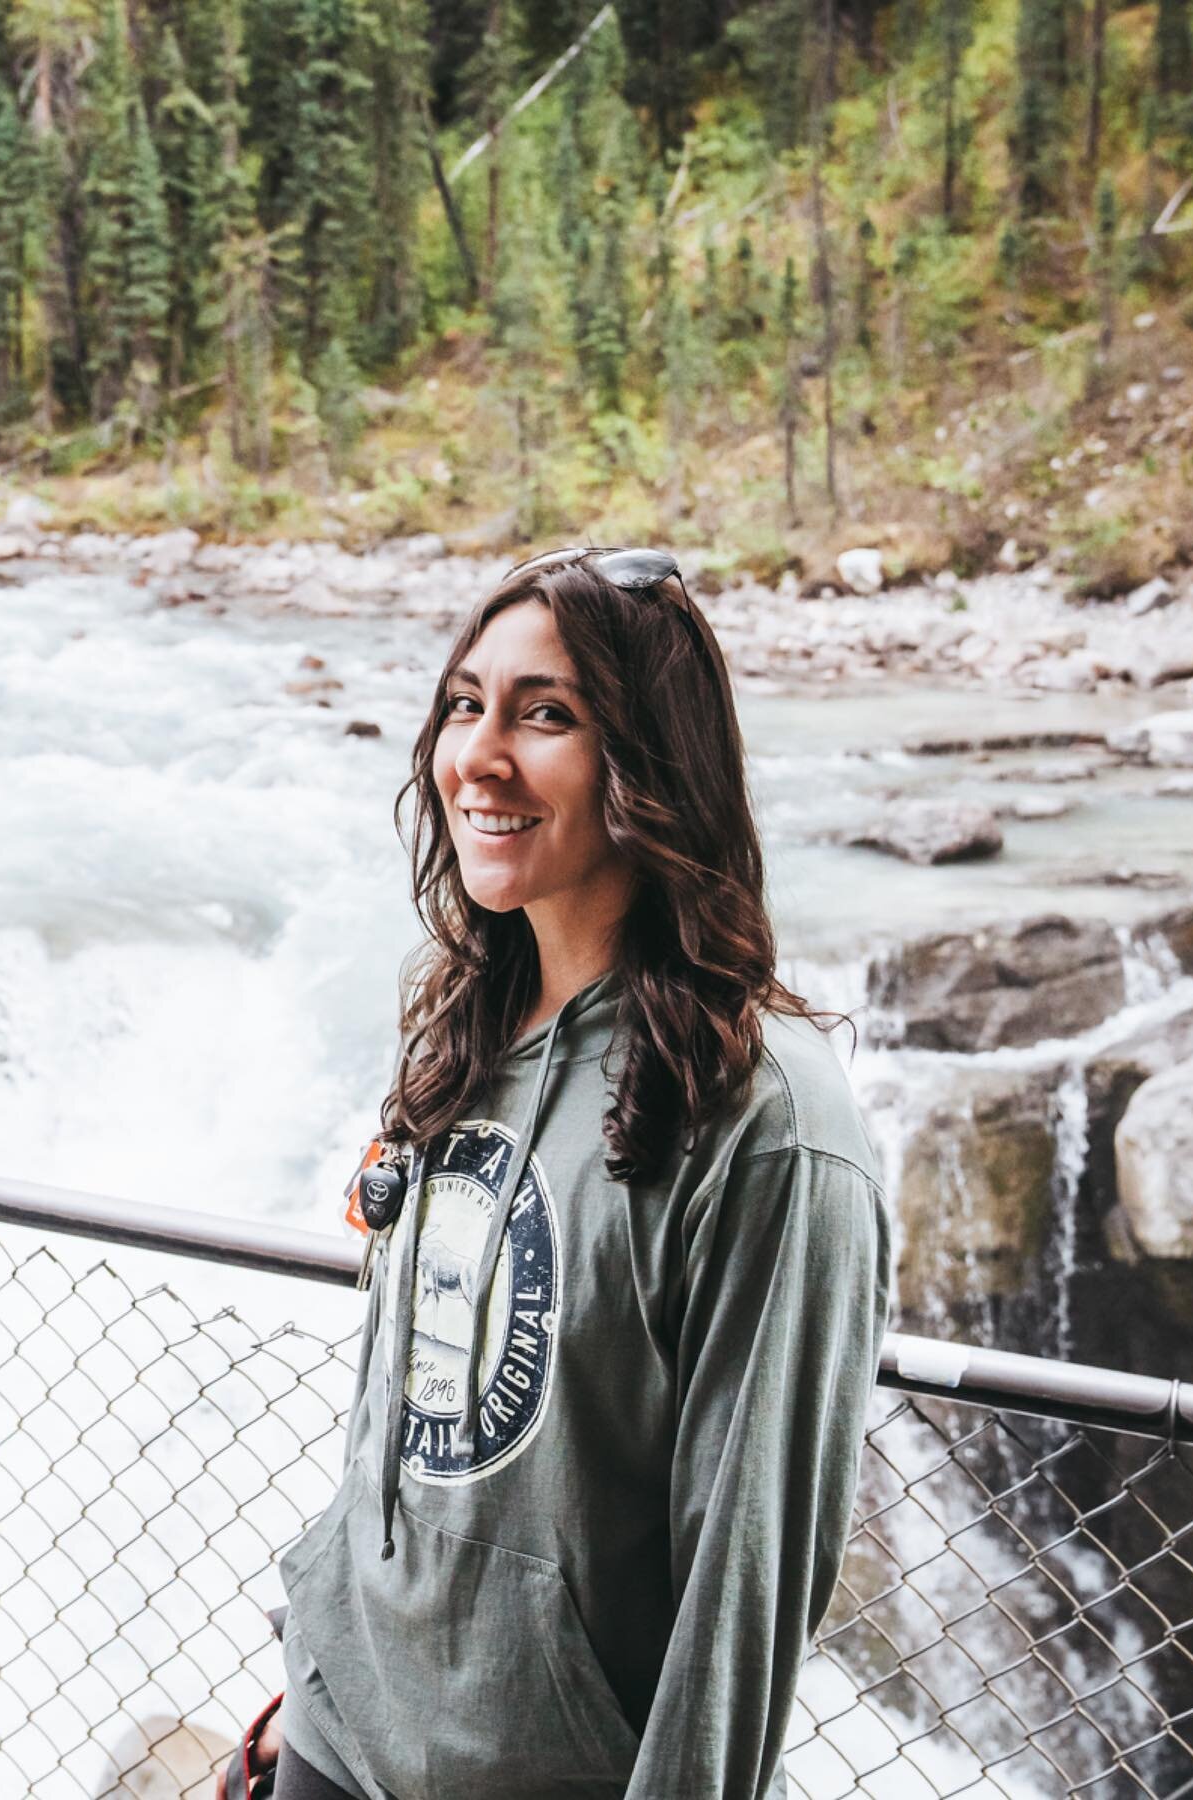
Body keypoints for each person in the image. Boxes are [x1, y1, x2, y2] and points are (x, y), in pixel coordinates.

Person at [220, 545, 892, 1800]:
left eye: (547, 715)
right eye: (466, 704)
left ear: (652, 764)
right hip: (335, 1734)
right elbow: (405, 1403)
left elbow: (743, 1582)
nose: (478, 754)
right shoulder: (472, 1022)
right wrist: (323, 1656)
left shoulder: (768, 1122)